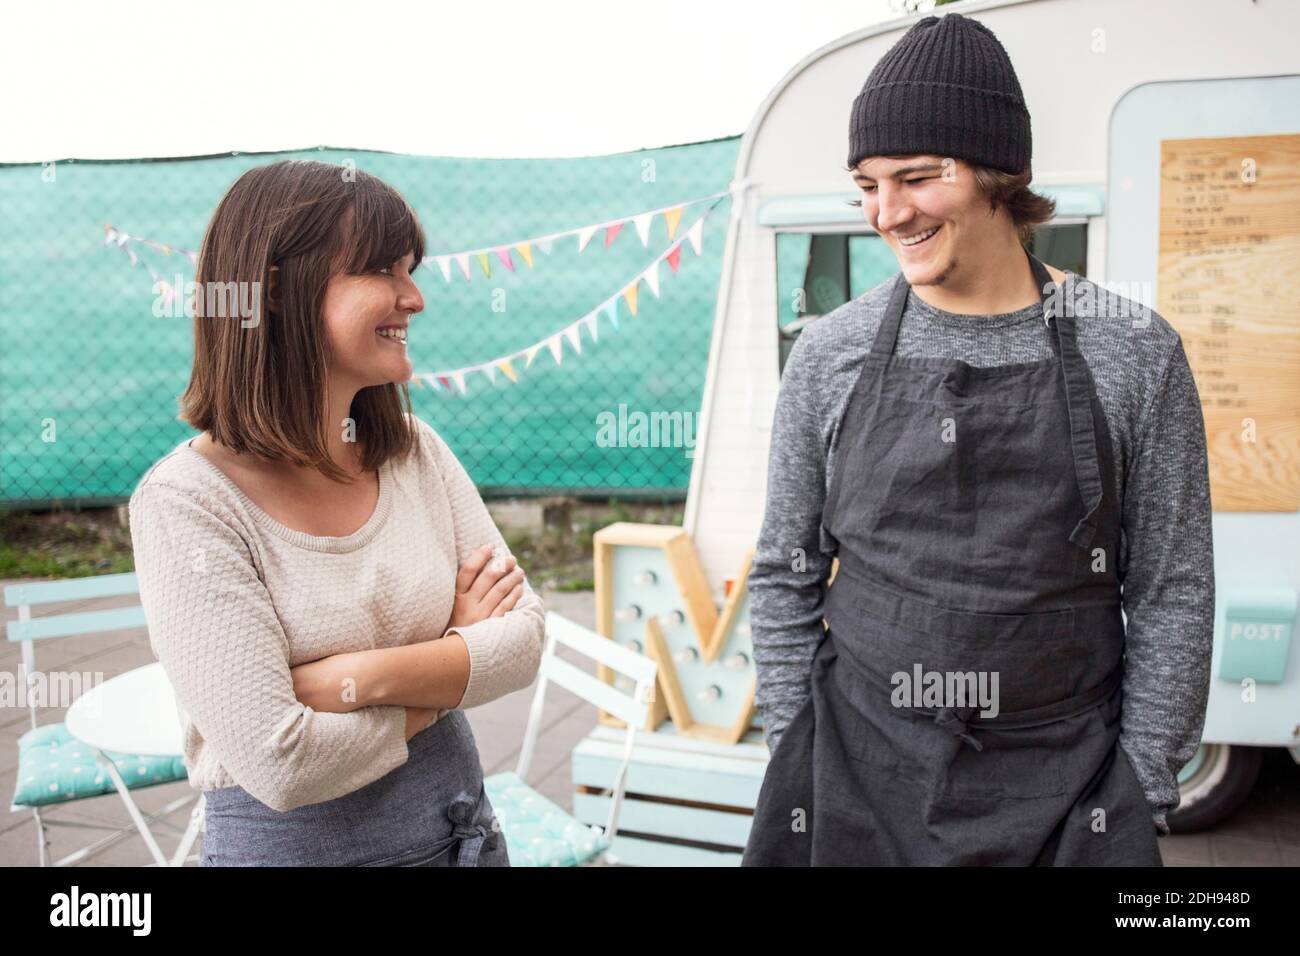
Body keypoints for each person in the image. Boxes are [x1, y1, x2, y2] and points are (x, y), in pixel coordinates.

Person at [742, 13, 1213, 865]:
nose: (887, 213)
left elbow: (1173, 592)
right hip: (854, 779)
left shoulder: (1132, 349)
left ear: (1000, 172)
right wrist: (796, 750)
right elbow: (783, 572)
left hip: (1065, 794)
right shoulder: (831, 353)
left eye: (918, 177)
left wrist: (1137, 786)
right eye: (867, 184)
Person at [128, 159, 546, 866]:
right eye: (383, 269)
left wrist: (350, 679)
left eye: (410, 269)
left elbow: (523, 642)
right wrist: (451, 654)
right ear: (279, 293)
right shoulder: (187, 504)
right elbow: (284, 765)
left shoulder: (414, 453)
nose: (413, 298)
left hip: (465, 836)